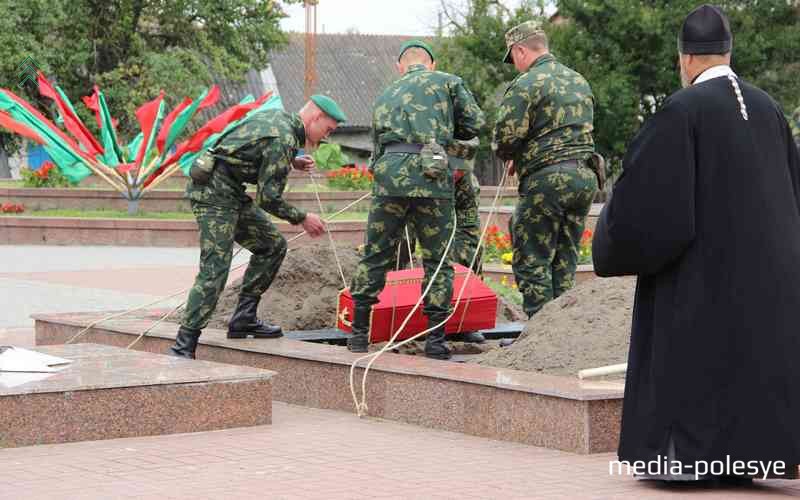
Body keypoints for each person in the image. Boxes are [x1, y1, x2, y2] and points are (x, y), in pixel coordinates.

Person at [593, 4, 800, 481]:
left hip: (702, 281)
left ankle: (691, 463)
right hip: (771, 282)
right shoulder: (770, 109)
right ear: (729, 51)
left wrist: (609, 235)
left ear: (684, 58)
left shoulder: (680, 110)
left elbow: (651, 212)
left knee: (698, 367)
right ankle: (754, 456)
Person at [170, 95, 347, 359]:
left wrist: (292, 161)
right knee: (215, 268)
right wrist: (302, 218)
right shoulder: (283, 138)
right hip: (213, 194)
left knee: (272, 246)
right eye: (327, 130)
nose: (326, 138)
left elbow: (250, 148)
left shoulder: (279, 119)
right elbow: (268, 199)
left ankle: (244, 319)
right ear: (316, 117)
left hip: (230, 190)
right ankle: (183, 346)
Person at [346, 40, 485, 359]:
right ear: (431, 64)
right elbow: (475, 124)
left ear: (401, 67)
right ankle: (435, 340)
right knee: (437, 258)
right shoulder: (449, 82)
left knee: (376, 253)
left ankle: (358, 334)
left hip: (389, 178)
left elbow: (376, 146)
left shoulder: (384, 95)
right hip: (431, 177)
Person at [492, 19, 599, 319]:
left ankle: (538, 330)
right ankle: (560, 331)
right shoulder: (579, 81)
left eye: (513, 56)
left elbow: (505, 137)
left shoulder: (526, 83)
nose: (514, 63)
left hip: (547, 181)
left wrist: (511, 155)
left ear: (521, 50)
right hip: (584, 178)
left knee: (531, 257)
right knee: (565, 258)